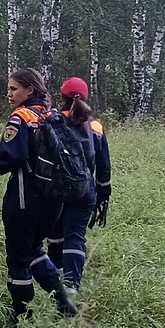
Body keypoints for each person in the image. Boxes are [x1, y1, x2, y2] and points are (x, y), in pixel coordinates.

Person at [0, 68, 77, 323]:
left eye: (14, 88)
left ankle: (21, 315)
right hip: (54, 201)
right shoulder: (52, 116)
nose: (9, 94)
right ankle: (64, 303)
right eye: (8, 89)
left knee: (18, 256)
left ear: (30, 90)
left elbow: (12, 157)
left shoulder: (20, 118)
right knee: (34, 249)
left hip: (24, 200)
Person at [47, 77, 112, 293]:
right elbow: (103, 166)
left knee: (55, 234)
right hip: (85, 189)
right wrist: (103, 194)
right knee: (75, 235)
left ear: (62, 96)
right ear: (85, 97)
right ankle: (72, 285)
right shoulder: (95, 127)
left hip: (55, 189)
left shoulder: (51, 121)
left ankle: (55, 277)